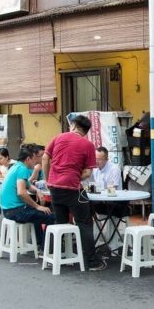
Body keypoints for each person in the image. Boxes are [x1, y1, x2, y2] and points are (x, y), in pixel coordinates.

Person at [43, 115, 104, 271]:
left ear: (74, 126)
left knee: (60, 222)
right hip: (73, 188)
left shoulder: (58, 138)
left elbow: (45, 159)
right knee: (84, 222)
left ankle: (53, 256)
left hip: (55, 187)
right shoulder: (88, 145)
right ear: (86, 131)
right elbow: (88, 173)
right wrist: (75, 176)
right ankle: (92, 261)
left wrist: (49, 178)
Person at [0, 145, 54, 249]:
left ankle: (41, 244)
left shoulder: (16, 166)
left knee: (40, 214)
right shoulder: (22, 169)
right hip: (16, 211)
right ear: (28, 159)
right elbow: (21, 192)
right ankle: (47, 249)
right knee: (53, 217)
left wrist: (37, 190)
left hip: (8, 210)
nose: (37, 162)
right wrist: (37, 206)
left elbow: (28, 186)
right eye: (35, 159)